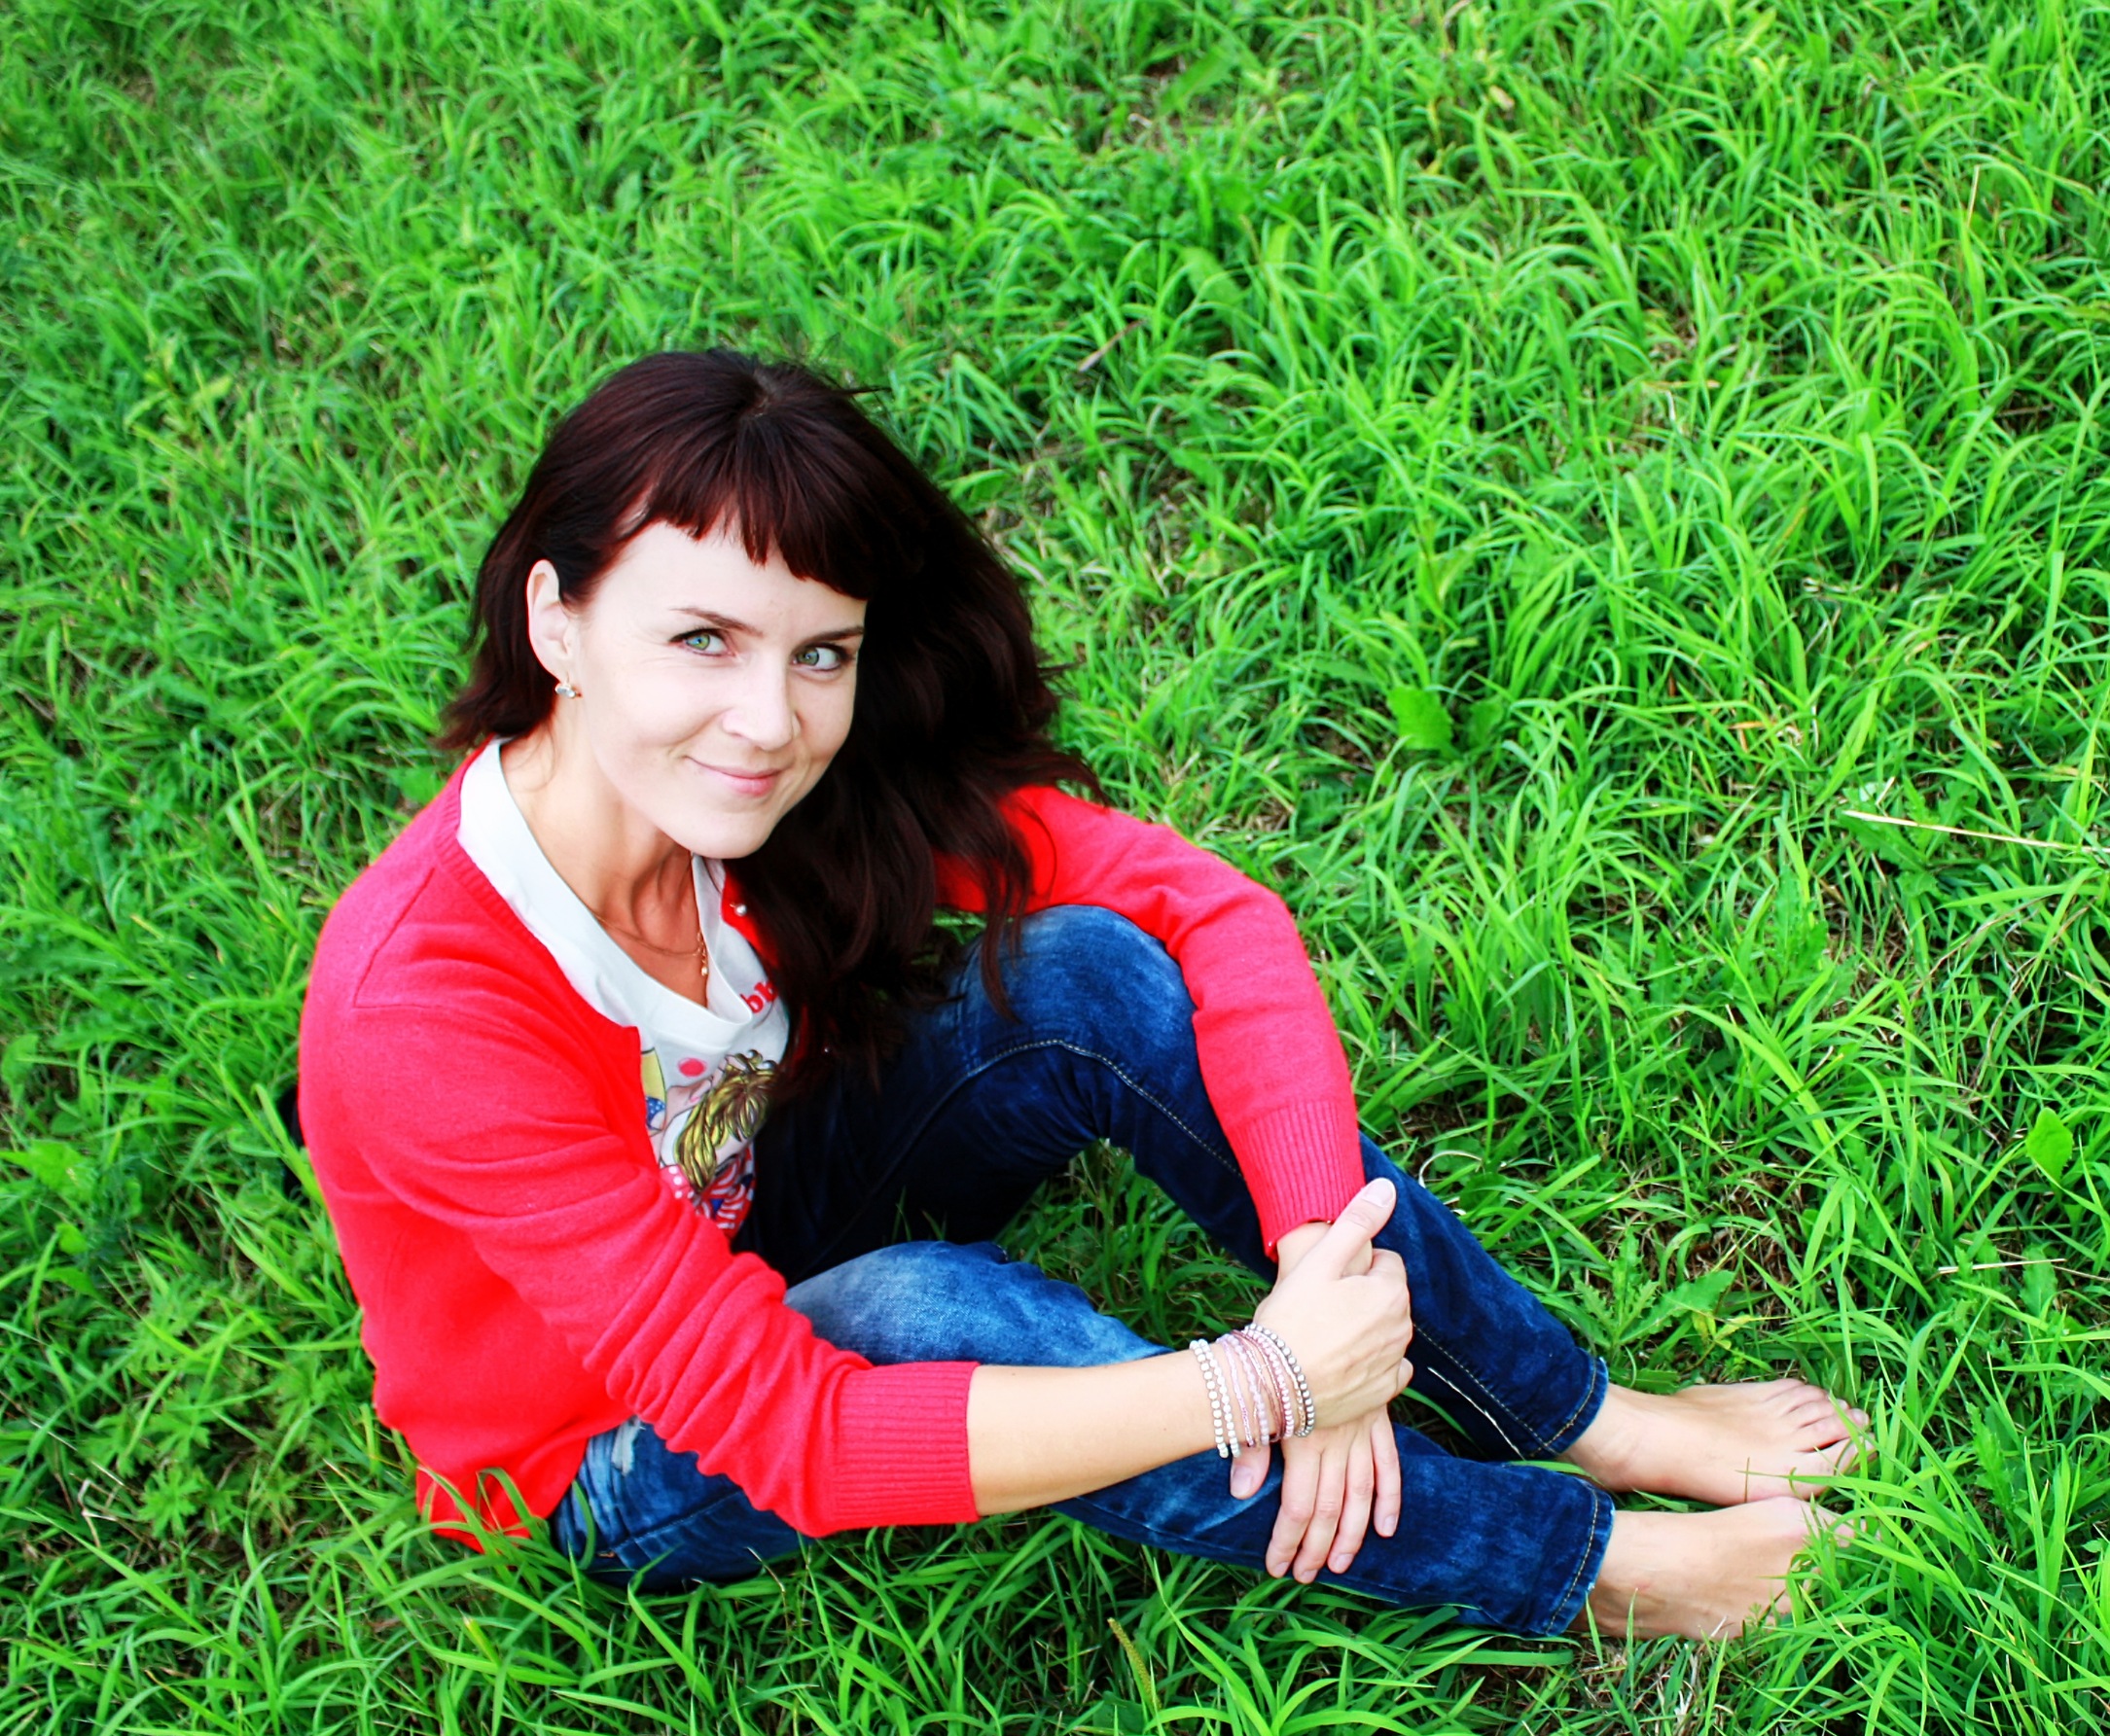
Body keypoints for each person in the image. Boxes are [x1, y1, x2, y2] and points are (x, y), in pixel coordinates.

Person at [299, 350, 1861, 1642]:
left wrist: (1319, 1263)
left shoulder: (755, 795)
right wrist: (1261, 1380)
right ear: (557, 620)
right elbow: (788, 1430)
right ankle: (1586, 1567)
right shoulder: (422, 1005)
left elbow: (1211, 913)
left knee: (1085, 974)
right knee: (918, 1316)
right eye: (699, 639)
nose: (767, 719)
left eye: (821, 653)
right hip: (608, 1448)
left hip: (760, 1206)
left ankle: (1577, 1414)